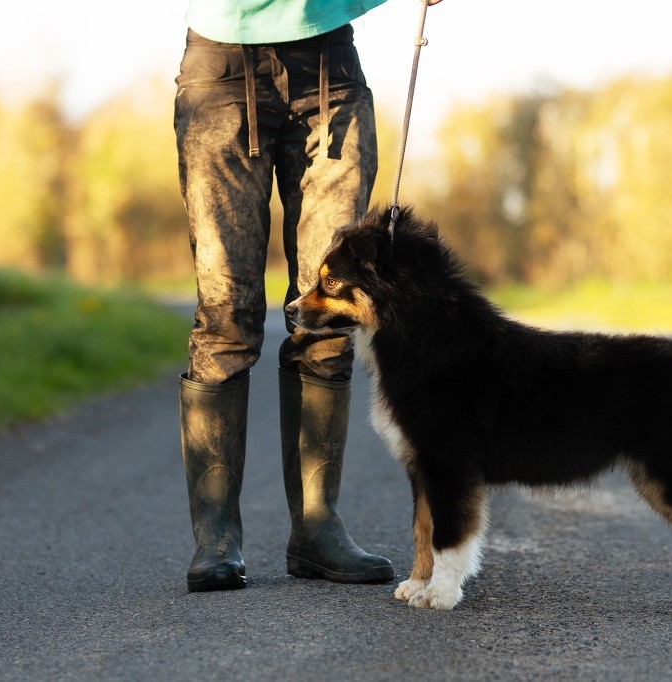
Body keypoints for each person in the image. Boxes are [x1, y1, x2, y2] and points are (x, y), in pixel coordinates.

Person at [174, 0, 442, 592]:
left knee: (331, 310)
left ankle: (317, 529)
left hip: (329, 70)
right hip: (220, 68)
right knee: (225, 312)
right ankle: (217, 536)